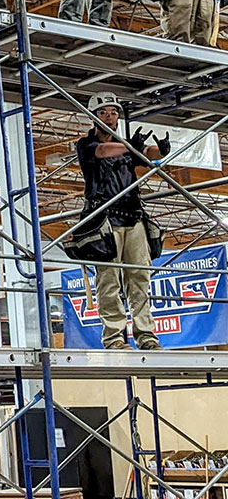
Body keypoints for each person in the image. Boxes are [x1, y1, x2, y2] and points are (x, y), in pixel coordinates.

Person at [76, 92, 165, 351]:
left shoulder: (126, 147)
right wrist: (131, 146)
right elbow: (104, 151)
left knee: (139, 277)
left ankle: (146, 336)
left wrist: (161, 149)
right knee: (109, 281)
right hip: (104, 219)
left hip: (133, 216)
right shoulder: (86, 145)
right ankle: (114, 338)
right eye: (103, 112)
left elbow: (148, 154)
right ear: (94, 116)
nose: (109, 116)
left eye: (113, 112)